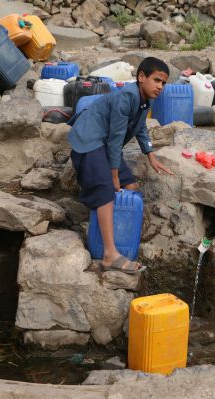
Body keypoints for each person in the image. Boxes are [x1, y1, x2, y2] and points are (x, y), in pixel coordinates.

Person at [67, 57, 174, 274]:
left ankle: (121, 238)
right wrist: (113, 175)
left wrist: (150, 155)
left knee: (131, 187)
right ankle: (109, 254)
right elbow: (116, 139)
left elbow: (140, 128)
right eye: (156, 80)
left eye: (163, 83)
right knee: (107, 189)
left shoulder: (144, 101)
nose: (160, 87)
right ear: (141, 77)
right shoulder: (127, 96)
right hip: (89, 142)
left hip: (103, 144)